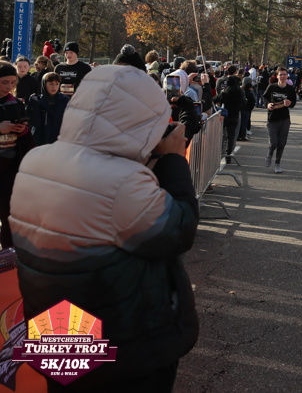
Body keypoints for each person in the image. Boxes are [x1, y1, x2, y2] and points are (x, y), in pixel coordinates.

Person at [10, 64, 199, 391]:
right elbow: (177, 230)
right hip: (121, 346)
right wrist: (172, 159)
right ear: (139, 121)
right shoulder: (122, 183)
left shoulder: (35, 161)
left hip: (57, 331)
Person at [0, 62, 33, 249]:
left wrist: (22, 130)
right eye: (4, 82)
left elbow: (27, 136)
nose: (9, 87)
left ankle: (8, 255)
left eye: (13, 82)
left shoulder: (16, 104)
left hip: (10, 167)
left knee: (9, 214)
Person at [262, 67, 297, 173]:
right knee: (273, 143)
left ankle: (277, 164)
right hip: (272, 118)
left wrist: (290, 103)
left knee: (281, 144)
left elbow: (293, 102)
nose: (282, 76)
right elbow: (265, 97)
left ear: (287, 76)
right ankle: (269, 154)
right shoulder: (271, 87)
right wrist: (268, 104)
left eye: (284, 74)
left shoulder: (290, 89)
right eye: (280, 74)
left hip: (285, 119)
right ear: (277, 76)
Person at [26, 72, 70, 146]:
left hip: (58, 139)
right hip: (39, 139)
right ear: (44, 84)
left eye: (57, 84)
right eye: (51, 84)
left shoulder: (65, 100)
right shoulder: (35, 100)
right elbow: (30, 120)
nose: (54, 87)